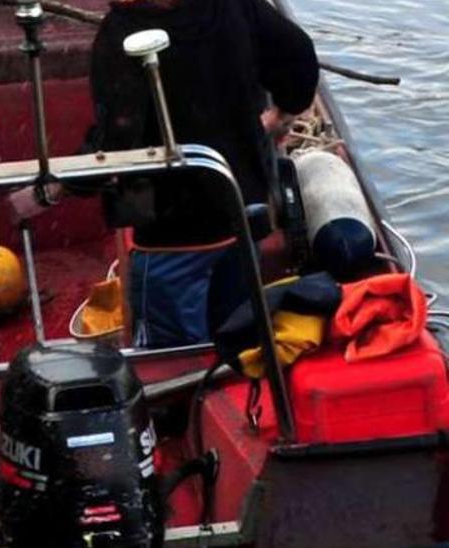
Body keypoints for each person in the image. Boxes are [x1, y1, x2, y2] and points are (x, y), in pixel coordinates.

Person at [86, 0, 319, 347]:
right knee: (239, 344)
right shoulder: (236, 8)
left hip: (172, 238)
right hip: (242, 213)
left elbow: (117, 143)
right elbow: (299, 59)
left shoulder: (122, 32)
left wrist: (55, 188)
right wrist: (279, 115)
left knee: (173, 360)